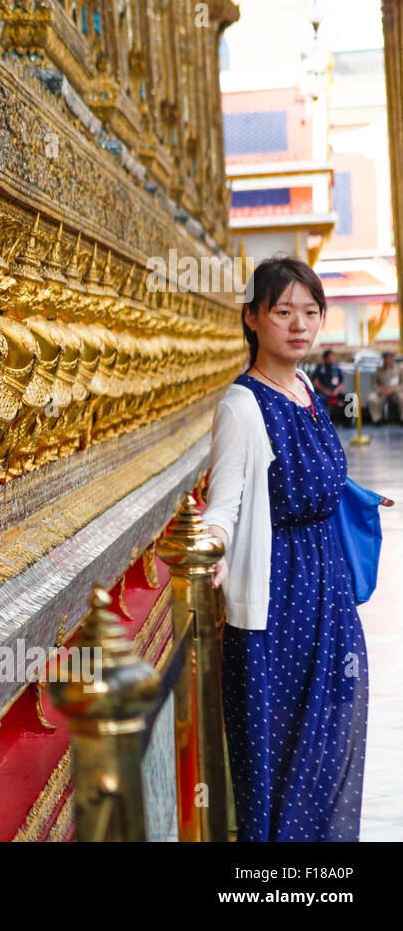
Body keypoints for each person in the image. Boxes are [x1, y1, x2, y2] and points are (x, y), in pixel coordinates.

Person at [201, 256, 394, 841]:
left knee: (333, 738)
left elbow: (307, 475)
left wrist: (356, 496)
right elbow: (226, 502)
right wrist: (209, 547)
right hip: (277, 604)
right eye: (282, 311)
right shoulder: (242, 405)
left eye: (311, 312)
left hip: (327, 594)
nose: (299, 324)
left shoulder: (307, 388)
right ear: (252, 318)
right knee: (282, 757)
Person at [366, 351, 401, 423]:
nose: (388, 361)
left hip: (395, 393)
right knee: (371, 398)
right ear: (384, 360)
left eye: (390, 359)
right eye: (386, 359)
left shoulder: (399, 369)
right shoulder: (378, 370)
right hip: (382, 393)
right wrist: (380, 390)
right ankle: (376, 419)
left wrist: (394, 389)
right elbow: (374, 384)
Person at [310, 348, 345, 419]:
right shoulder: (319, 368)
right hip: (323, 393)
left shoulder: (337, 369)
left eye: (332, 358)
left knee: (350, 397)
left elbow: (341, 383)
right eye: (329, 358)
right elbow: (316, 383)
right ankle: (322, 419)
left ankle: (350, 420)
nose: (331, 359)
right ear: (325, 359)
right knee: (318, 398)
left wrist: (336, 391)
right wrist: (326, 391)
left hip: (335, 392)